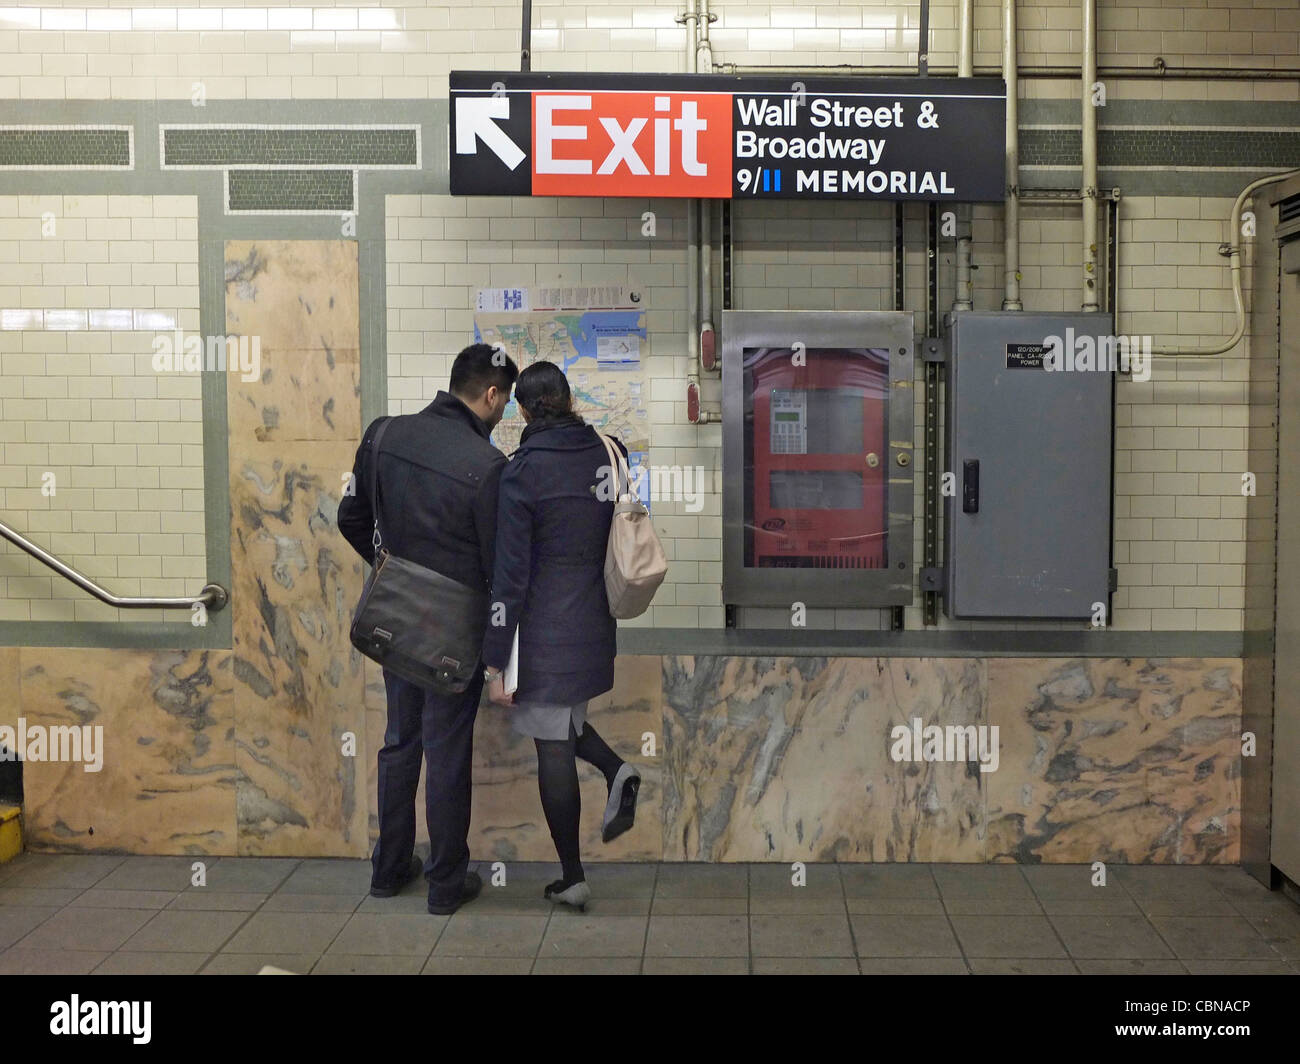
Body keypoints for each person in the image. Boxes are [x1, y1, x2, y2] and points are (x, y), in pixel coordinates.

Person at [338, 343, 518, 915]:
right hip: (452, 637)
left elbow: (351, 517)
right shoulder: (489, 467)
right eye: (505, 401)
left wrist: (395, 574)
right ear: (490, 395)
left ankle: (388, 871)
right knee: (446, 754)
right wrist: (500, 651)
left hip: (394, 620)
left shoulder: (384, 434)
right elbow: (498, 569)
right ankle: (444, 885)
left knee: (399, 744)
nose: (504, 412)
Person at [480, 360, 642, 911]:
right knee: (566, 720)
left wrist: (495, 658)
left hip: (543, 629)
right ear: (570, 398)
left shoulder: (521, 471)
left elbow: (510, 574)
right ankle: (619, 768)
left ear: (522, 410)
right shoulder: (609, 448)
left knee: (552, 743)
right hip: (595, 619)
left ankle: (572, 877)